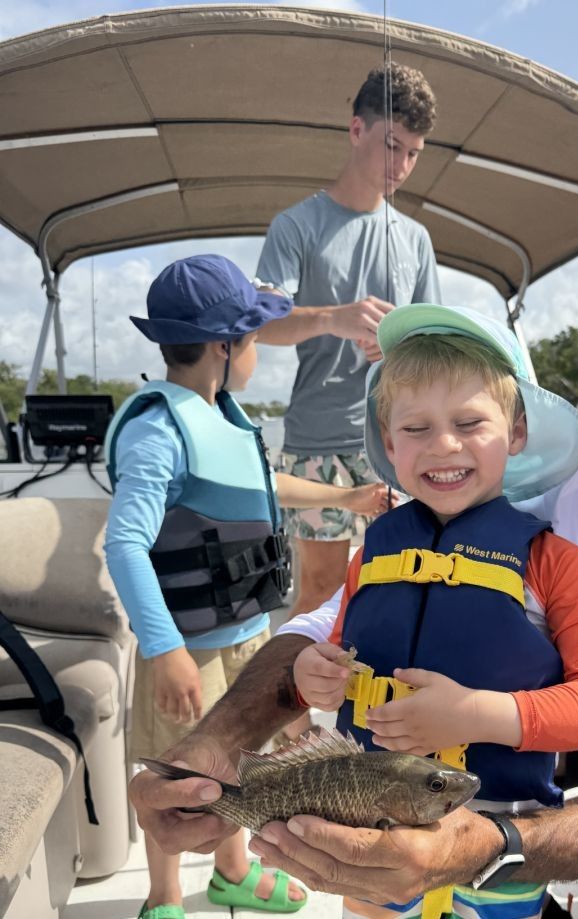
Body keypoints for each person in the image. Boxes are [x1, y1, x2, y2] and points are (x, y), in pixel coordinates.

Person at [127, 213, 578, 919]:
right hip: (529, 730)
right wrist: (216, 747)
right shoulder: (519, 475)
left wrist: (488, 842)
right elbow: (332, 616)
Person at [292, 304, 578, 919]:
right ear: (389, 443)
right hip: (376, 836)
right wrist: (313, 670)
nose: (443, 445)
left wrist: (475, 714)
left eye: (470, 421)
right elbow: (340, 648)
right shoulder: (372, 552)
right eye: (415, 429)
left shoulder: (555, 564)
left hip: (497, 849)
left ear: (517, 433)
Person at [106, 254, 390, 919]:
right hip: (190, 646)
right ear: (223, 345)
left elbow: (267, 488)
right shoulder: (158, 427)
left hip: (247, 635)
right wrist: (164, 648)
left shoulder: (229, 417)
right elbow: (125, 542)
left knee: (239, 764)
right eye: (256, 338)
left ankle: (231, 872)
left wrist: (347, 495)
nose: (259, 351)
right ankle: (164, 893)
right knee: (181, 772)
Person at [254, 61, 440, 664]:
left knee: (402, 589)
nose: (401, 165)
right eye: (393, 145)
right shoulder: (296, 226)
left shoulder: (416, 240)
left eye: (413, 153)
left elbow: (434, 343)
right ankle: (293, 737)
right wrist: (334, 317)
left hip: (400, 442)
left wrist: (402, 343)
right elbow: (261, 323)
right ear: (356, 129)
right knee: (318, 595)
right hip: (318, 442)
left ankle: (376, 732)